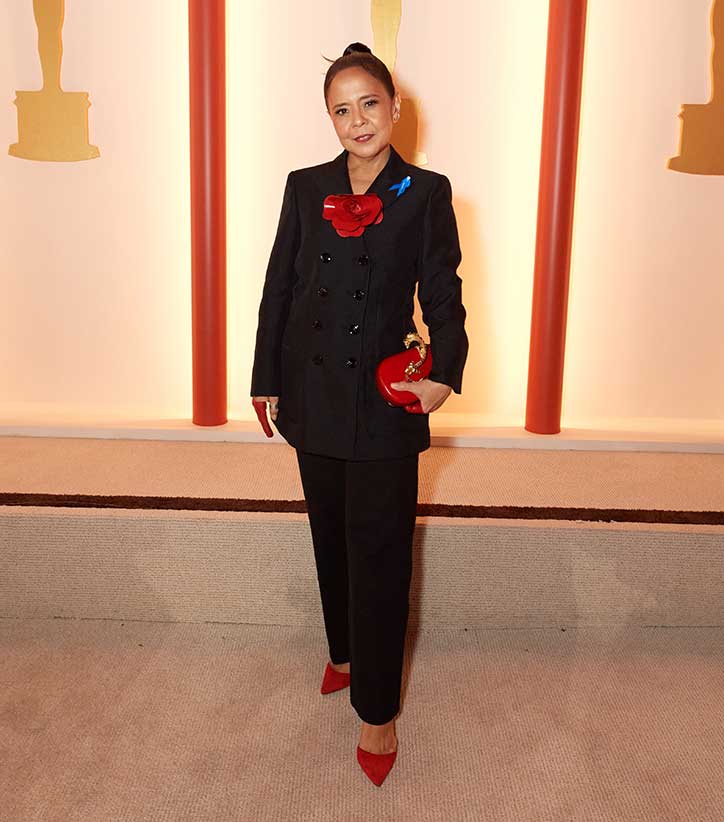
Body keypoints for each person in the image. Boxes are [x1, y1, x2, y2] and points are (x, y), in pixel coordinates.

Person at [250, 42, 468, 786]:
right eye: (341, 109)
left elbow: (443, 293)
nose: (357, 120)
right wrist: (264, 378)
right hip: (311, 395)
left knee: (379, 555)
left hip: (381, 401)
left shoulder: (427, 192)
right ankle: (341, 652)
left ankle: (377, 710)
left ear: (395, 107)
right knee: (328, 534)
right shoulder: (304, 186)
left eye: (369, 103)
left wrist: (443, 373)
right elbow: (279, 286)